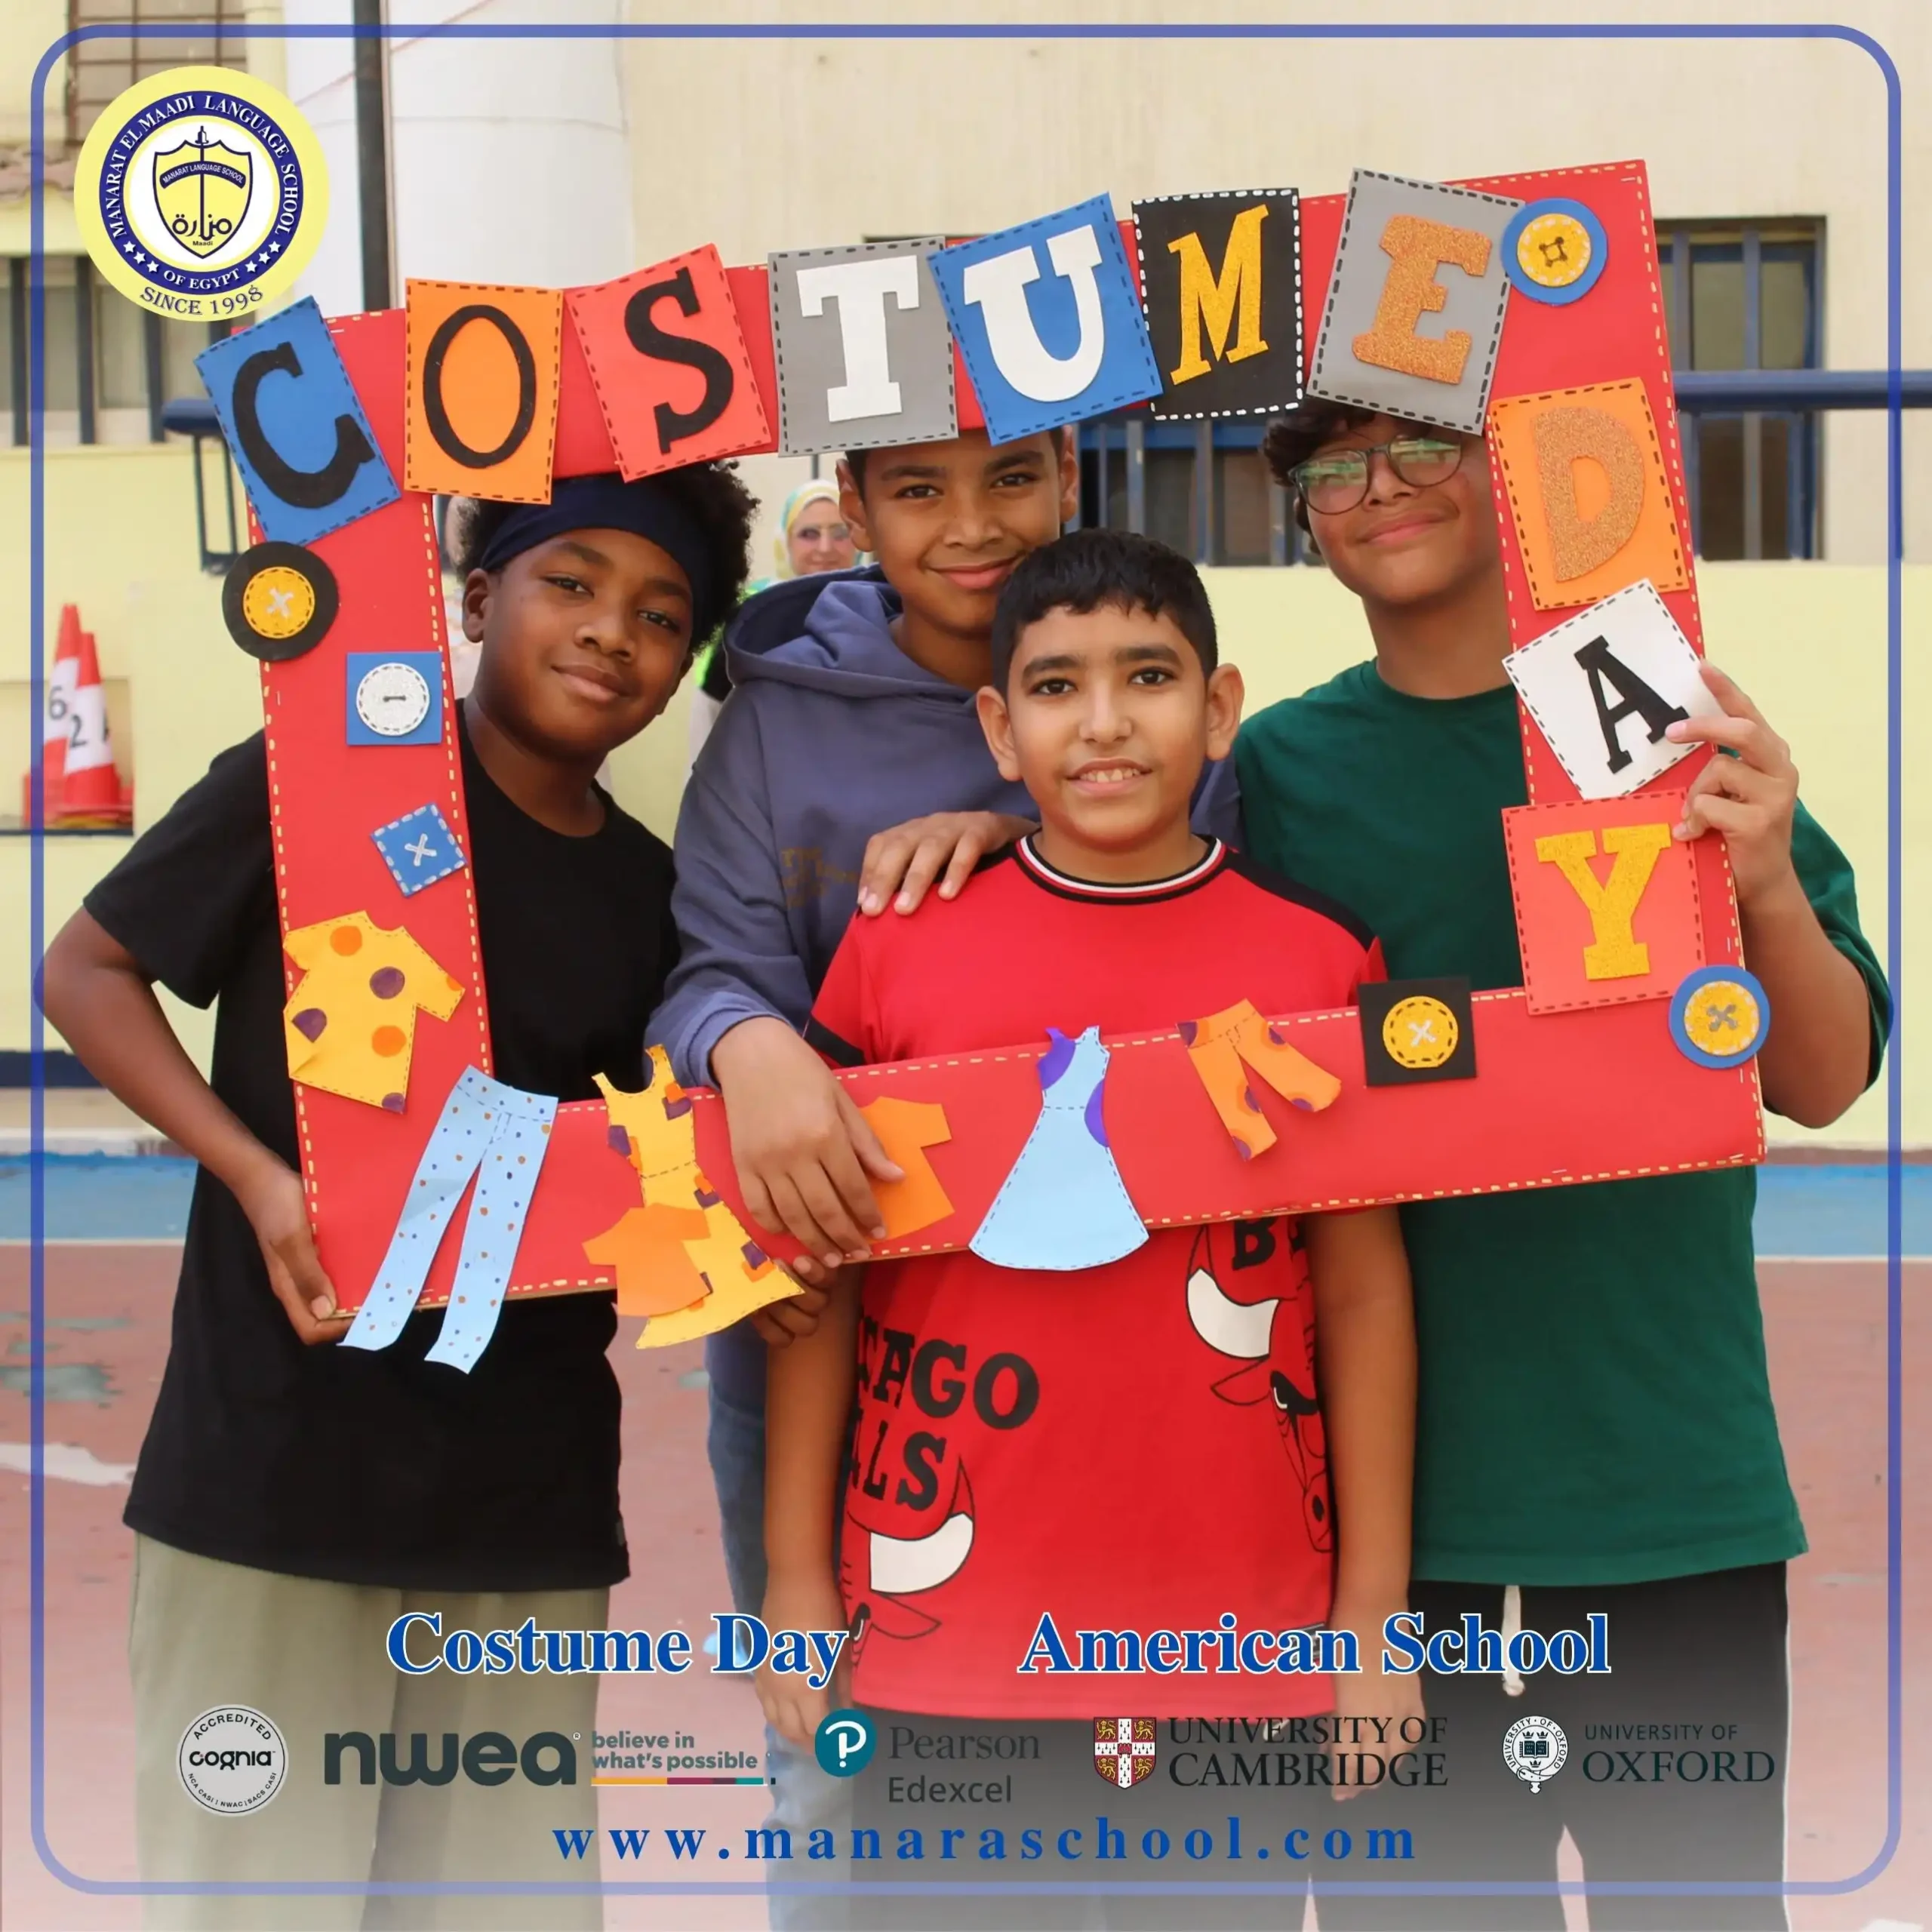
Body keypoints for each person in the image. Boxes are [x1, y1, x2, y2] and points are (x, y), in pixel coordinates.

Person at [41, 464, 757, 1932]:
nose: (611, 631)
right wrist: (254, 1173)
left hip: (523, 1511)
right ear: (478, 598)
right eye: (572, 584)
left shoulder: (656, 900)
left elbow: (642, 1174)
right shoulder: (318, 785)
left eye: (659, 615)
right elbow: (85, 971)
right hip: (268, 1484)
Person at [1231, 408, 1890, 1930]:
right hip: (1387, 1542)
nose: (1379, 489)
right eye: (1331, 467)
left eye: (1420, 445)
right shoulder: (1274, 769)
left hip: (1672, 1494)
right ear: (1302, 518)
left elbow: (1817, 1076)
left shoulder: (1663, 722)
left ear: (1507, 468)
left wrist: (1764, 874)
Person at [758, 529, 1417, 1930]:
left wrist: (1372, 1619)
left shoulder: (1318, 958)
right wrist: (797, 1584)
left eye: (1149, 677)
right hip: (947, 1644)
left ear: (1219, 710)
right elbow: (822, 1286)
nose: (1105, 721)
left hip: (1240, 1646)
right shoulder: (896, 947)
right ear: (1000, 730)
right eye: (1057, 686)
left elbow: (1362, 1296)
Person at [652, 426, 1086, 1922]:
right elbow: (701, 972)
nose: (972, 525)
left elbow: (1196, 896)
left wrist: (1025, 831)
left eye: (1012, 477)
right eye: (916, 489)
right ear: (851, 506)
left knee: (1087, 1748)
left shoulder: (1128, 658)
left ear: (1071, 476)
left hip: (1089, 1334)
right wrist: (745, 1040)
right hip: (813, 1330)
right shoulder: (772, 720)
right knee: (828, 1751)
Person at [688, 476, 863, 764]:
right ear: (785, 542)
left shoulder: (882, 611)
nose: (825, 548)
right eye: (809, 534)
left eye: (841, 532)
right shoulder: (753, 617)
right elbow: (709, 715)